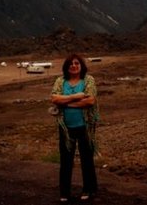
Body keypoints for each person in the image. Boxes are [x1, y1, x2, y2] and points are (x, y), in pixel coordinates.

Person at [51, 53, 99, 203]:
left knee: (87, 159)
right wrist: (77, 96)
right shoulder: (60, 81)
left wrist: (66, 104)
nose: (74, 66)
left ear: (81, 66)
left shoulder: (88, 80)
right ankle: (64, 193)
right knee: (66, 160)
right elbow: (54, 98)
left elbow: (90, 100)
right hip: (66, 128)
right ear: (66, 67)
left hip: (85, 127)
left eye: (77, 63)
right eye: (71, 64)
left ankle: (89, 190)